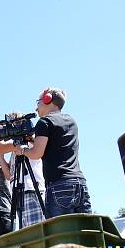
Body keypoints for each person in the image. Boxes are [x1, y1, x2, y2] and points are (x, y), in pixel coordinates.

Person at [12, 88, 92, 218]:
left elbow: (36, 153)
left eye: (38, 102)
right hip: (80, 183)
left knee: (61, 235)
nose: (36, 108)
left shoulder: (44, 122)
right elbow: (56, 143)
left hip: (59, 185)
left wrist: (23, 150)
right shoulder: (71, 120)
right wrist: (33, 140)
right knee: (84, 232)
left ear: (47, 99)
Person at [0, 112, 46, 228]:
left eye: (16, 122)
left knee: (35, 233)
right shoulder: (15, 148)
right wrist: (0, 155)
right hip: (19, 194)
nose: (12, 127)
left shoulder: (29, 142)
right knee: (26, 236)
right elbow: (9, 175)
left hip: (31, 191)